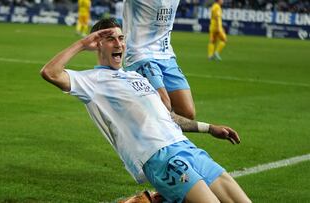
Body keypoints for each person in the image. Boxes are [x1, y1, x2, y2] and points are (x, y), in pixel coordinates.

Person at [40, 18, 251, 203]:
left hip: (187, 147)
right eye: (111, 39)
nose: (119, 44)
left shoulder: (136, 77)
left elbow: (167, 116)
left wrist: (210, 128)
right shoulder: (92, 81)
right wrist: (82, 43)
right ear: (98, 44)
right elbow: (50, 72)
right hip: (159, 158)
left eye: (122, 38)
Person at [123, 0, 196, 120]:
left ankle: (139, 119)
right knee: (164, 106)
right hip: (139, 54)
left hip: (166, 54)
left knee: (187, 113)